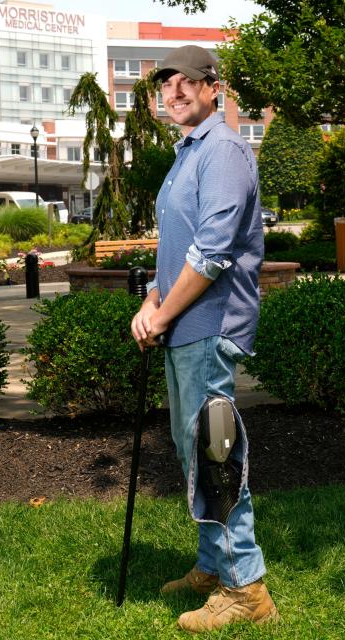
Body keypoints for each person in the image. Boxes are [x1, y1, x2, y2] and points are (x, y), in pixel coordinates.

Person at [130, 45, 278, 633]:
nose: (175, 92)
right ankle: (214, 566)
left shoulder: (224, 151)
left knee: (217, 454)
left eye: (187, 82)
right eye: (167, 85)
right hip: (181, 326)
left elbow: (213, 253)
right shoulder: (186, 153)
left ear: (214, 87)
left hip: (210, 328)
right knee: (197, 450)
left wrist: (163, 314)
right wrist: (151, 300)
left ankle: (247, 589)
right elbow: (179, 248)